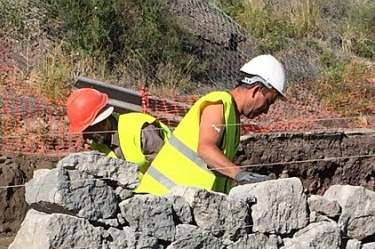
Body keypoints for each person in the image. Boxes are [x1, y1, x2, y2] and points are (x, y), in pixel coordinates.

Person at [136, 54, 287, 195]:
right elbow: (206, 149)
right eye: (268, 101)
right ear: (256, 90)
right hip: (160, 197)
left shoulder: (232, 117)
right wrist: (239, 174)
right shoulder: (218, 103)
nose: (266, 110)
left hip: (183, 204)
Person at [66, 88, 170, 179]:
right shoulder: (97, 147)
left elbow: (166, 166)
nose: (86, 137)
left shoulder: (139, 128)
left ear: (104, 121)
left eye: (88, 130)